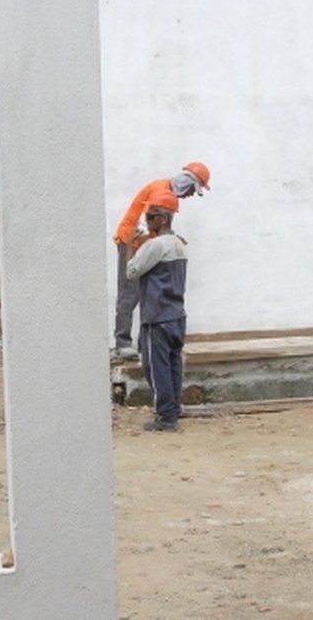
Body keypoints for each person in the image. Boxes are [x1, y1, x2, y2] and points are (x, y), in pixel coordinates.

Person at [112, 161, 210, 360]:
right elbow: (141, 228)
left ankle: (142, 345)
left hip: (145, 245)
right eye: (192, 189)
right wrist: (167, 241)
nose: (191, 194)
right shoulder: (159, 191)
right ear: (186, 182)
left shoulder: (168, 194)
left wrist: (170, 239)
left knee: (146, 293)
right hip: (131, 242)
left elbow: (156, 230)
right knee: (129, 294)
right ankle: (122, 344)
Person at [126, 189, 188, 432]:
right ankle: (174, 408)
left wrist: (133, 246)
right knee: (173, 364)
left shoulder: (156, 246)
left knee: (156, 366)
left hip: (157, 317)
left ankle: (165, 417)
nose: (147, 221)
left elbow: (131, 272)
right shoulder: (179, 244)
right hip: (176, 315)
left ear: (162, 219)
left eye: (150, 217)